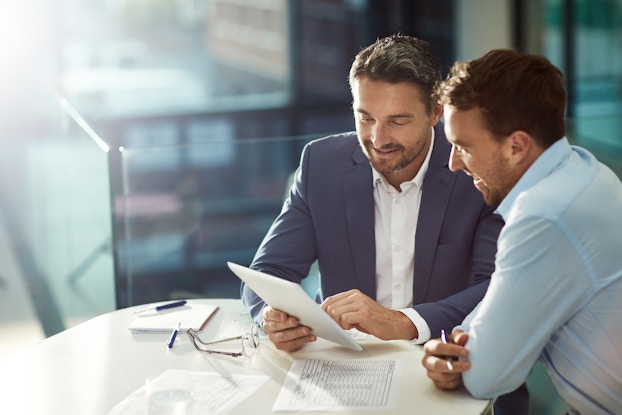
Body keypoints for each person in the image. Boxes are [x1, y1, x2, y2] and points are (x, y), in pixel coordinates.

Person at [241, 34, 503, 350]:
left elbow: (495, 288)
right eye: (365, 118)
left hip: (443, 356)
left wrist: (404, 323)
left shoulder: (475, 171)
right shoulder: (320, 165)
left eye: (398, 121)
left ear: (435, 113)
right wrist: (273, 316)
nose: (378, 139)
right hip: (345, 361)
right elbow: (268, 273)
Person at [421, 49, 622, 414]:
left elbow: (484, 376)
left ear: (516, 146)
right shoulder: (582, 169)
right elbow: (501, 300)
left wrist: (460, 357)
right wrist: (460, 341)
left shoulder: (544, 217)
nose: (452, 164)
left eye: (463, 146)